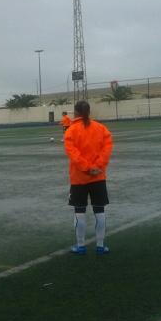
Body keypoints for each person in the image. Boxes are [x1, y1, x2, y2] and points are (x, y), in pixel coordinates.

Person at [64, 100, 114, 255]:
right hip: (98, 177)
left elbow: (74, 154)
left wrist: (87, 168)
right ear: (89, 111)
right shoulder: (101, 128)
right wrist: (97, 167)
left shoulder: (71, 131)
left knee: (79, 211)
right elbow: (107, 149)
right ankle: (100, 246)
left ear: (75, 112)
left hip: (79, 178)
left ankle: (80, 246)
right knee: (100, 211)